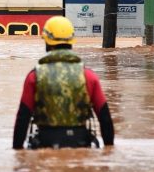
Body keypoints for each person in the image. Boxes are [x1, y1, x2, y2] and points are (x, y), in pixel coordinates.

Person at [13, 16, 114, 150]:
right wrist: (109, 151)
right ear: (71, 42)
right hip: (81, 145)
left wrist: (17, 152)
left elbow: (23, 118)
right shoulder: (89, 76)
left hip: (45, 144)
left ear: (47, 42)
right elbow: (104, 117)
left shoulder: (34, 76)